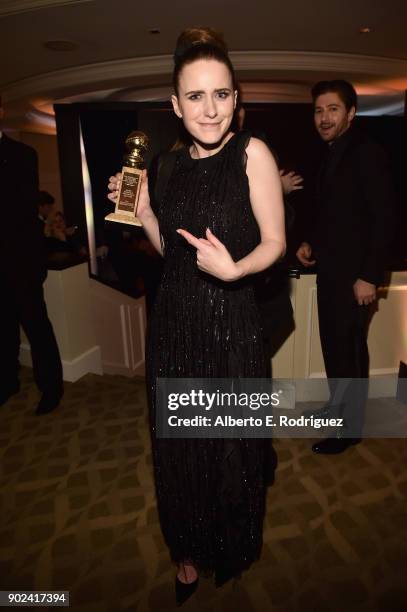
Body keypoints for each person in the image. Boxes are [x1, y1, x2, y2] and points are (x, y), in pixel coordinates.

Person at [108, 30, 285, 605]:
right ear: (175, 105)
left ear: (236, 98)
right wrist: (142, 211)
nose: (210, 109)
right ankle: (186, 553)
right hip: (174, 323)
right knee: (179, 449)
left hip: (232, 324)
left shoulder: (251, 153)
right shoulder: (164, 166)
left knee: (228, 445)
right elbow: (170, 247)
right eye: (195, 97)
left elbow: (275, 243)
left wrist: (235, 272)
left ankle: (229, 545)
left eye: (221, 94)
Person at [296, 80, 395, 454]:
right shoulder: (332, 152)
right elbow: (337, 217)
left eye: (332, 109)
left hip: (356, 278)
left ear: (351, 113)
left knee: (349, 352)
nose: (324, 118)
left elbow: (384, 219)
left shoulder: (366, 152)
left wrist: (369, 275)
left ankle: (349, 429)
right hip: (333, 274)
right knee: (334, 348)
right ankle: (337, 409)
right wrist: (311, 243)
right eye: (319, 110)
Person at [0, 95, 64, 415]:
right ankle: (7, 381)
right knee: (3, 327)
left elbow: (20, 212)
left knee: (37, 327)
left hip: (20, 263)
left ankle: (51, 388)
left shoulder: (23, 155)